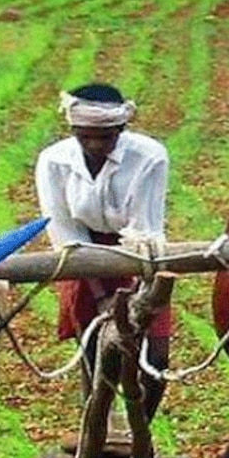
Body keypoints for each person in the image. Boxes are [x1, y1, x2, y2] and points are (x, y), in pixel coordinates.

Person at [34, 82, 173, 433]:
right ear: (73, 131)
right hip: (83, 257)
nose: (95, 145)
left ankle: (138, 432)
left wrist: (137, 297)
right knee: (96, 350)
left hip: (139, 254)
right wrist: (100, 296)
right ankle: (97, 430)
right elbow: (65, 233)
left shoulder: (150, 156)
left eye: (106, 137)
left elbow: (145, 230)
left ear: (121, 130)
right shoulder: (54, 161)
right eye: (86, 137)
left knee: (155, 359)